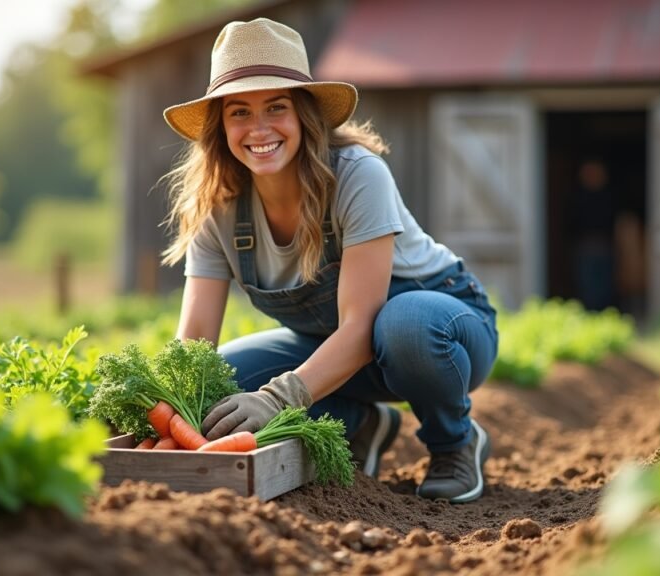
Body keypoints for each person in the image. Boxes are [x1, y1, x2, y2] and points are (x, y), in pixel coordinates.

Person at [159, 18, 498, 503]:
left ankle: (455, 444)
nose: (258, 129)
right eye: (239, 112)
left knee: (403, 324)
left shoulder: (357, 175)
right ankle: (361, 423)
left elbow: (361, 325)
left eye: (276, 107)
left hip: (442, 333)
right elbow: (194, 344)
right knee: (221, 390)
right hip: (331, 350)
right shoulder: (219, 206)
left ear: (304, 115)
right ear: (221, 127)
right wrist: (165, 403)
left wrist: (277, 399)